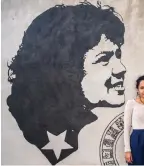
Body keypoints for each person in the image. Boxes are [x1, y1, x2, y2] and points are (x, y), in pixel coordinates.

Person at [6, 2, 126, 165]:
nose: (121, 69)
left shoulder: (79, 124)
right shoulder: (36, 126)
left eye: (118, 55)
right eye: (104, 59)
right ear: (66, 69)